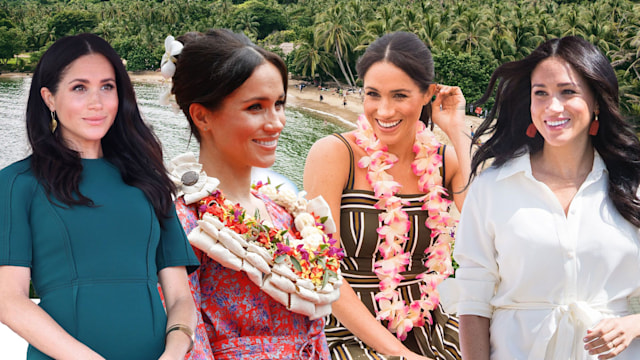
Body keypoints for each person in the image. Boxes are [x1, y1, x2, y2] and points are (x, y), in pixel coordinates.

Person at [439, 36, 640, 359]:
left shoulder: (632, 185)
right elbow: (473, 296)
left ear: (597, 101)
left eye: (568, 92)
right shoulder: (493, 187)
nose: (553, 107)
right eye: (541, 94)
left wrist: (634, 323)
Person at [0, 33, 199, 360]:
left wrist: (175, 350)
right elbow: (10, 301)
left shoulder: (149, 180)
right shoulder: (17, 183)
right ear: (49, 98)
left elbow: (179, 297)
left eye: (107, 86)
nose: (97, 102)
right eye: (80, 88)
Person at [161, 29, 342, 359]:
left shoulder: (289, 215)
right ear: (202, 115)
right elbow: (189, 342)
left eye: (279, 104)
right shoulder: (180, 221)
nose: (276, 123)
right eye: (255, 107)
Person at [304, 31, 471, 360]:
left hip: (427, 326)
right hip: (345, 331)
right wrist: (400, 355)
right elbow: (322, 268)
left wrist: (457, 130)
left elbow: (487, 228)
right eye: (373, 94)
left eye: (399, 96)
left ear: (427, 94)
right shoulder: (335, 155)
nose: (383, 110)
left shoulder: (443, 161)